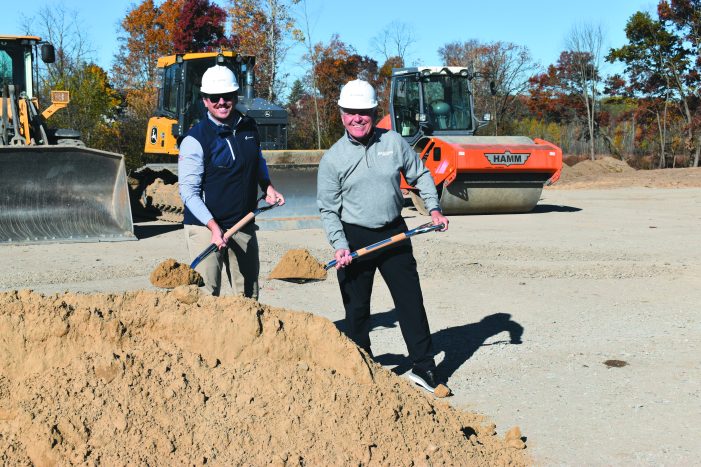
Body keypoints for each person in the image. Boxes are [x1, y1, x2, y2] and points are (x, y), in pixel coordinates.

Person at [316, 79, 450, 394]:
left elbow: (421, 173)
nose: (357, 118)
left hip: (394, 232)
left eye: (363, 112)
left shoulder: (394, 142)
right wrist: (339, 245)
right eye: (350, 112)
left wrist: (433, 209)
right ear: (341, 114)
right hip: (354, 238)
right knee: (357, 310)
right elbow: (328, 210)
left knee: (410, 302)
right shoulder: (333, 159)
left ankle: (424, 368)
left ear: (375, 112)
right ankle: (361, 365)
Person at [178, 65, 284, 298]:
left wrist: (267, 186)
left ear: (235, 97)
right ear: (205, 100)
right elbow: (188, 192)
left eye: (227, 96)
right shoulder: (195, 139)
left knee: (248, 295)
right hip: (205, 227)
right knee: (205, 296)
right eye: (214, 97)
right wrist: (214, 228)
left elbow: (257, 161)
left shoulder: (249, 127)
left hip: (243, 222)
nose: (221, 102)